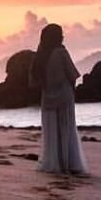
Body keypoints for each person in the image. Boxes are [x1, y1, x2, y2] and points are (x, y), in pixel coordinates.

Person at [29, 23, 88, 175]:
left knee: (51, 131)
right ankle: (68, 164)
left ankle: (52, 163)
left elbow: (35, 82)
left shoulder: (40, 55)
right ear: (57, 37)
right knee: (66, 129)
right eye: (61, 34)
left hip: (47, 97)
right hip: (64, 95)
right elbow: (72, 75)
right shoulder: (61, 52)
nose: (63, 36)